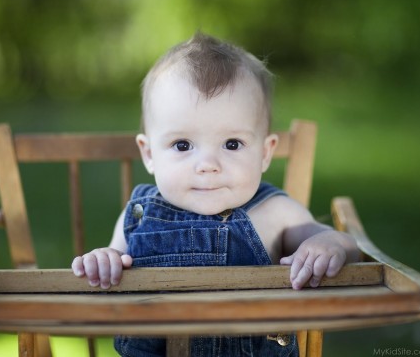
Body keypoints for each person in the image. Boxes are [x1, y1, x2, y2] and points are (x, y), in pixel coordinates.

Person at [71, 32, 361, 357]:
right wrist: (103, 262)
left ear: (265, 153)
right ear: (149, 153)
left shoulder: (276, 212)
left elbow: (347, 247)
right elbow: (110, 276)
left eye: (232, 144)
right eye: (182, 145)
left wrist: (330, 244)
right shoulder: (138, 216)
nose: (208, 165)